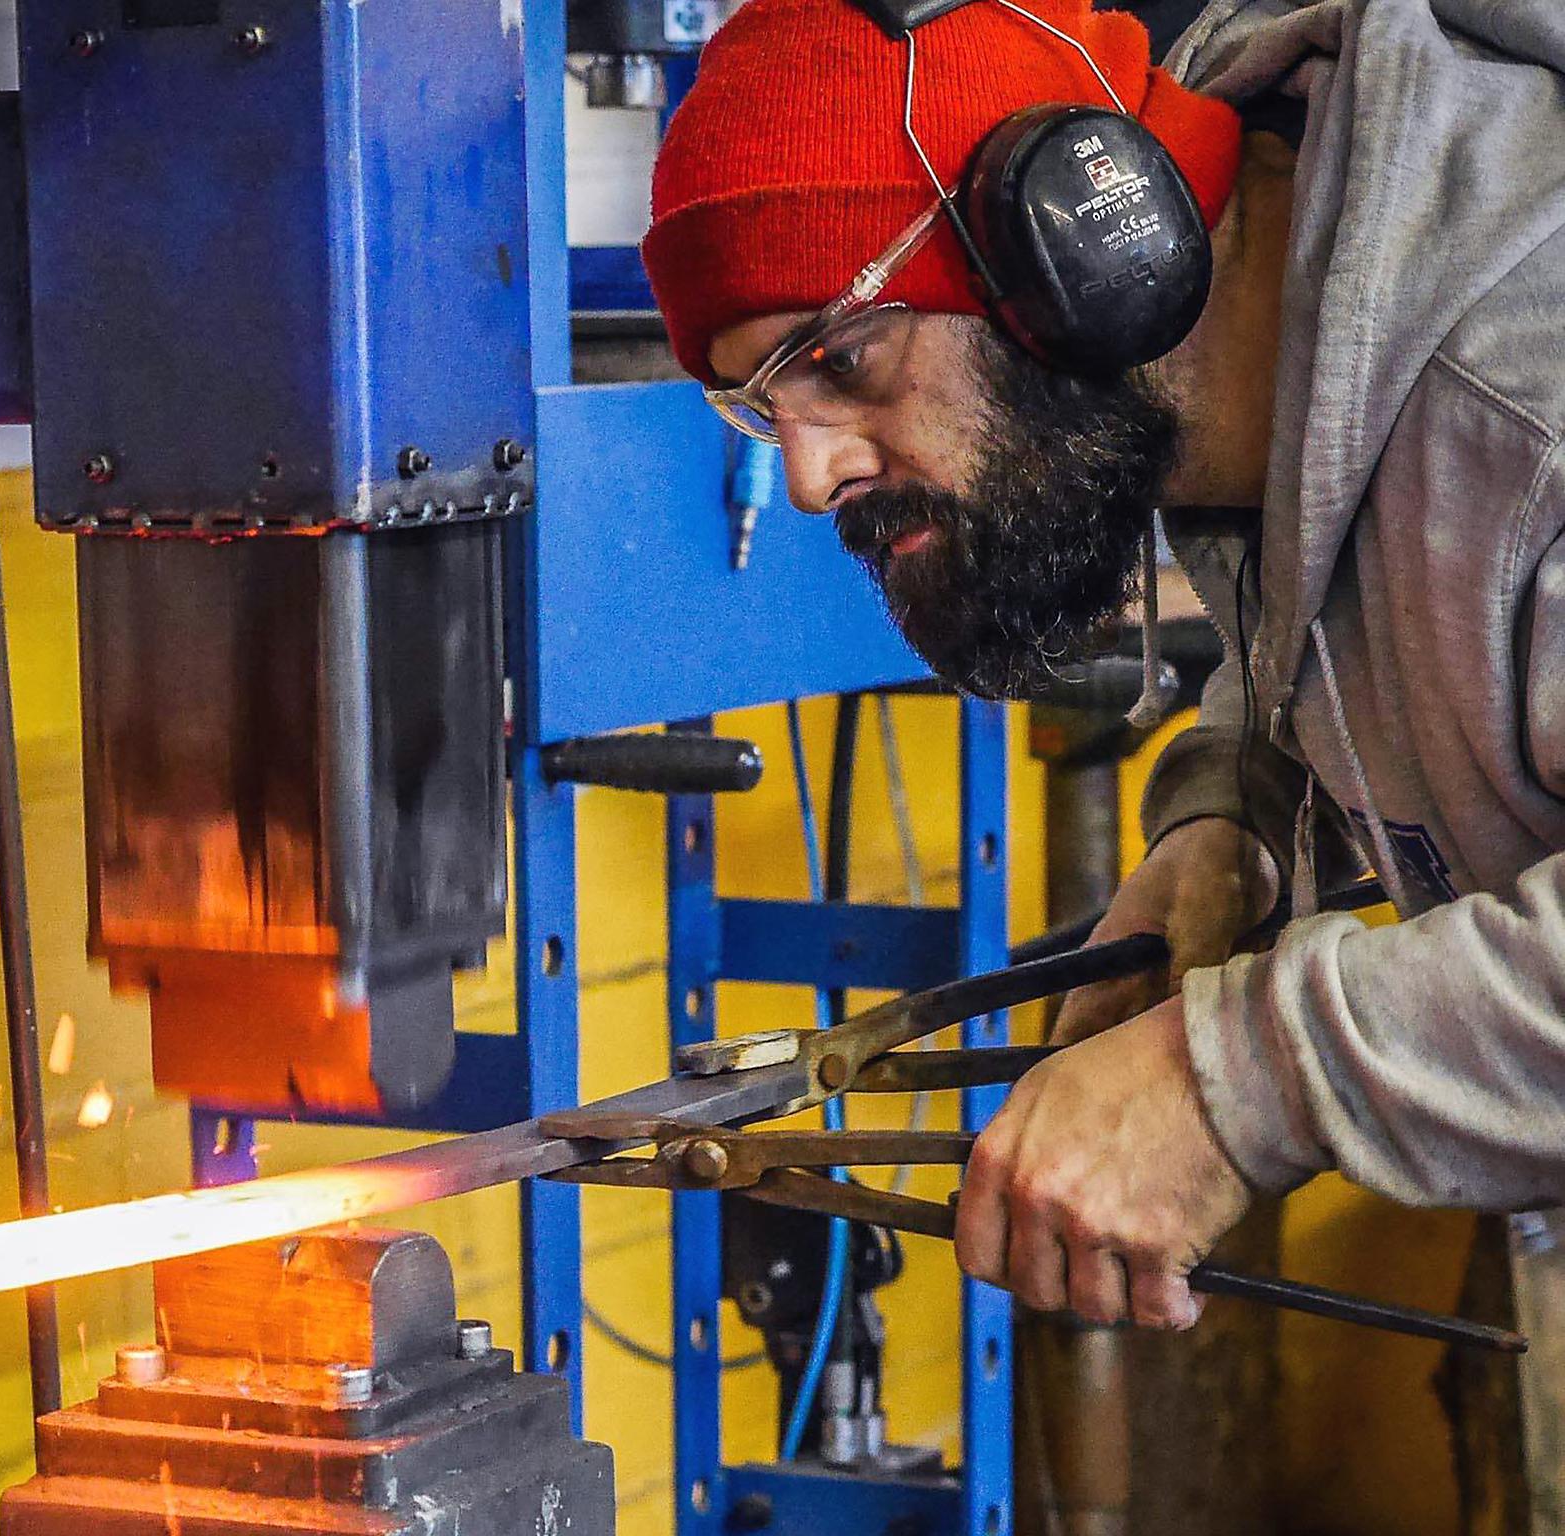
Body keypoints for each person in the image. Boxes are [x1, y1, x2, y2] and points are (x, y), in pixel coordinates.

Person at [642, 0, 1565, 1332]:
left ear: (1084, 243)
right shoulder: (1291, 360)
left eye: (840, 358)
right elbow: (1370, 576)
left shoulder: (1524, 391)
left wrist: (1235, 1078)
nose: (809, 473)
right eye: (761, 403)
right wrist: (1236, 820)